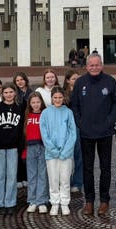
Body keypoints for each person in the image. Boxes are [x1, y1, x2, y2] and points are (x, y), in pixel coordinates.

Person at [70, 54, 116, 216]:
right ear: (86, 66)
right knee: (88, 168)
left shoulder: (109, 81)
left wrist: (110, 120)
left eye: (97, 65)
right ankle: (89, 201)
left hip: (105, 132)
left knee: (105, 168)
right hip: (86, 133)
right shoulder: (80, 83)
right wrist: (80, 122)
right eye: (91, 65)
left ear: (101, 65)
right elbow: (75, 105)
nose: (94, 67)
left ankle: (104, 201)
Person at [40, 87, 77, 216]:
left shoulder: (68, 112)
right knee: (53, 179)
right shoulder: (45, 113)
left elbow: (72, 133)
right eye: (55, 97)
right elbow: (44, 133)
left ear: (63, 98)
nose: (57, 100)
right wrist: (52, 149)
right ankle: (55, 203)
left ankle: (65, 203)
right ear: (51, 98)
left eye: (60, 97)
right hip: (51, 153)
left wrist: (66, 150)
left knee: (65, 179)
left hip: (66, 153)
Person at [0, 83, 24, 215]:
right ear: (2, 94)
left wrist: (19, 144)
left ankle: (10, 202)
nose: (8, 95)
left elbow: (21, 128)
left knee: (11, 175)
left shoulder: (19, 107)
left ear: (15, 93)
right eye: (6, 92)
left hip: (13, 146)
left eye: (11, 92)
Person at [24, 91, 49, 213]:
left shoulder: (45, 115)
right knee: (32, 174)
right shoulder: (27, 115)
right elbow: (23, 134)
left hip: (43, 146)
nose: (35, 105)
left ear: (41, 102)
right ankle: (32, 200)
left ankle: (42, 200)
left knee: (42, 174)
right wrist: (24, 151)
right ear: (29, 103)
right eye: (33, 102)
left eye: (38, 102)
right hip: (30, 147)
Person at [62, 70, 83, 193]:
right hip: (66, 128)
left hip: (79, 126)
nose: (76, 81)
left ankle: (77, 182)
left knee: (79, 156)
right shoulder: (63, 93)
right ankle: (66, 181)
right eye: (73, 78)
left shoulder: (82, 91)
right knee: (67, 155)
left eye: (77, 78)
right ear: (68, 80)